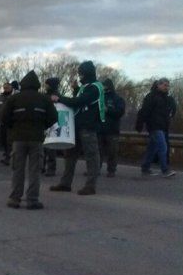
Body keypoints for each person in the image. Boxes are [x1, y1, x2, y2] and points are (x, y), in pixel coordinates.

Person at [1, 70, 58, 210]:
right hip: (37, 138)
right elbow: (53, 117)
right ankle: (32, 200)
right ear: (37, 85)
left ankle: (15, 199)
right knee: (35, 170)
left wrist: (13, 127)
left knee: (17, 169)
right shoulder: (44, 99)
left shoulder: (14, 99)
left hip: (18, 138)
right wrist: (42, 126)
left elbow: (3, 116)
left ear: (23, 84)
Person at [50, 61, 105, 196]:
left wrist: (60, 99)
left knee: (91, 156)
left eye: (80, 73)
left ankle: (90, 185)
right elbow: (79, 100)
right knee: (70, 155)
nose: (79, 76)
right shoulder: (87, 87)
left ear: (85, 73)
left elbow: (79, 102)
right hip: (79, 125)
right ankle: (65, 183)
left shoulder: (94, 87)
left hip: (88, 126)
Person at [136, 78, 177, 178]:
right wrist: (140, 124)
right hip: (154, 126)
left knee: (152, 148)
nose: (166, 87)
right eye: (164, 85)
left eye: (168, 85)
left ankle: (145, 167)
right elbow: (144, 111)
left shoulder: (166, 99)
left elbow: (167, 113)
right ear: (158, 85)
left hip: (162, 126)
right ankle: (165, 170)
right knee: (163, 146)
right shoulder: (151, 97)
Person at [100, 79, 126, 177]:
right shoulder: (99, 97)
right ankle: (95, 169)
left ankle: (111, 170)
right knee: (98, 151)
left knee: (112, 152)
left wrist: (108, 110)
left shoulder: (117, 99)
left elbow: (120, 112)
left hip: (112, 130)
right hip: (100, 129)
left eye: (104, 85)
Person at [42, 77, 61, 177]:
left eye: (47, 84)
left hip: (53, 123)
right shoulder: (45, 95)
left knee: (51, 147)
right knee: (43, 146)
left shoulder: (56, 96)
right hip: (45, 122)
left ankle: (51, 168)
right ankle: (42, 166)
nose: (46, 86)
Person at [0, 81, 15, 165]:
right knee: (3, 140)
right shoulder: (0, 97)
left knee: (9, 141)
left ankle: (9, 157)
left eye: (7, 87)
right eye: (4, 87)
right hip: (1, 122)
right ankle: (6, 154)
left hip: (10, 123)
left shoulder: (14, 97)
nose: (6, 89)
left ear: (11, 88)